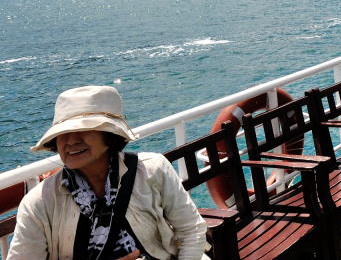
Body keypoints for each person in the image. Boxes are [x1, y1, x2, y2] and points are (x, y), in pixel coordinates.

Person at [8, 86, 208, 260]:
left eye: (83, 130)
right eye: (62, 134)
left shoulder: (152, 170)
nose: (71, 141)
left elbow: (192, 230)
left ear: (109, 136)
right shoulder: (40, 202)